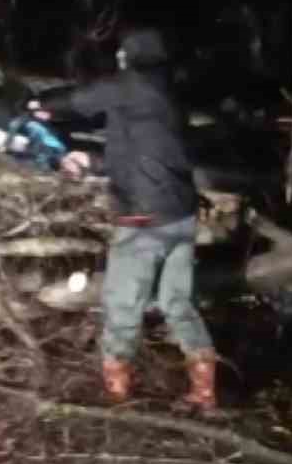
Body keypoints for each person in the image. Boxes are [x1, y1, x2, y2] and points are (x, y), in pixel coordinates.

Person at [28, 27, 218, 411]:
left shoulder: (133, 84)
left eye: (120, 55)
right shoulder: (166, 94)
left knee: (121, 304)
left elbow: (77, 100)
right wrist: (90, 160)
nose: (116, 60)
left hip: (143, 218)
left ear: (129, 57)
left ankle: (116, 396)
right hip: (179, 214)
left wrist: (38, 105)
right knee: (177, 303)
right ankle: (204, 393)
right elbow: (141, 153)